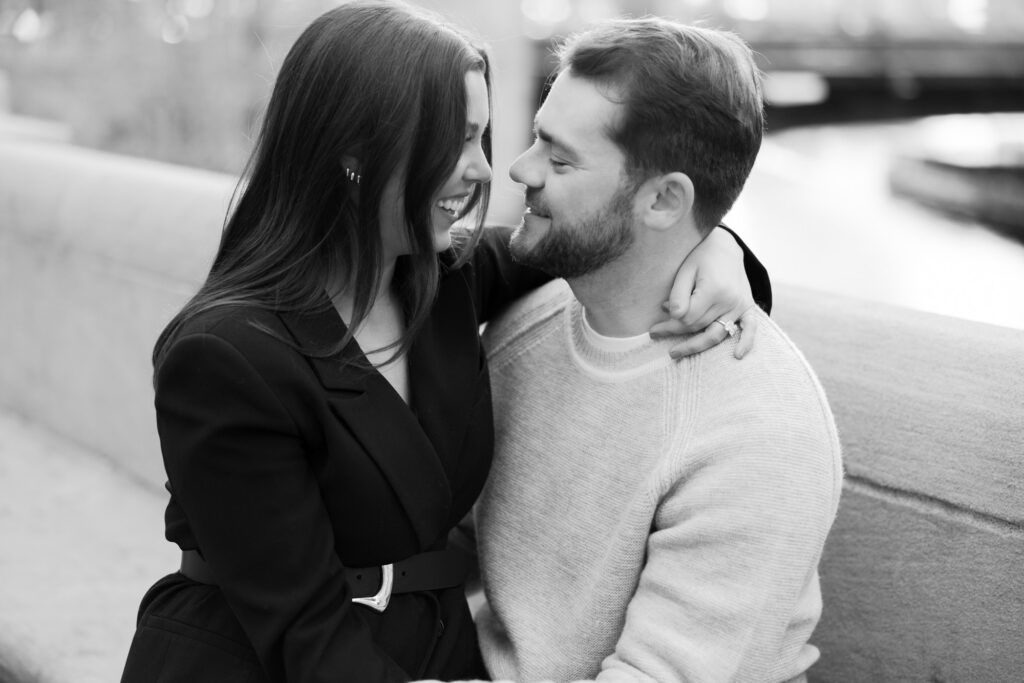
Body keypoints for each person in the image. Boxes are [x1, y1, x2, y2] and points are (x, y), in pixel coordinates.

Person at [119, 2, 771, 682]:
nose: (487, 170)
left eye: (481, 137)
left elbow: (616, 244)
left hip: (428, 652)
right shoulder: (224, 357)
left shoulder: (446, 280)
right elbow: (304, 635)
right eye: (457, 139)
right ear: (354, 150)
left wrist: (720, 247)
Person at [448, 17, 843, 683]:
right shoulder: (523, 323)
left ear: (663, 199)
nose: (520, 168)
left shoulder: (759, 431)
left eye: (559, 156)